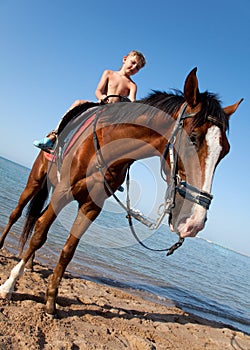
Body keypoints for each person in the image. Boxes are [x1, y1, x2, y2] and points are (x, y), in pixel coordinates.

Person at [33, 50, 146, 151]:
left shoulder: (132, 85)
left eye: (137, 68)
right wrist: (102, 98)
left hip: (114, 112)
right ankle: (54, 135)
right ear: (125, 59)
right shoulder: (109, 73)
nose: (133, 68)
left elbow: (132, 102)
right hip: (100, 105)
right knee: (78, 103)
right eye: (133, 62)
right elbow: (98, 91)